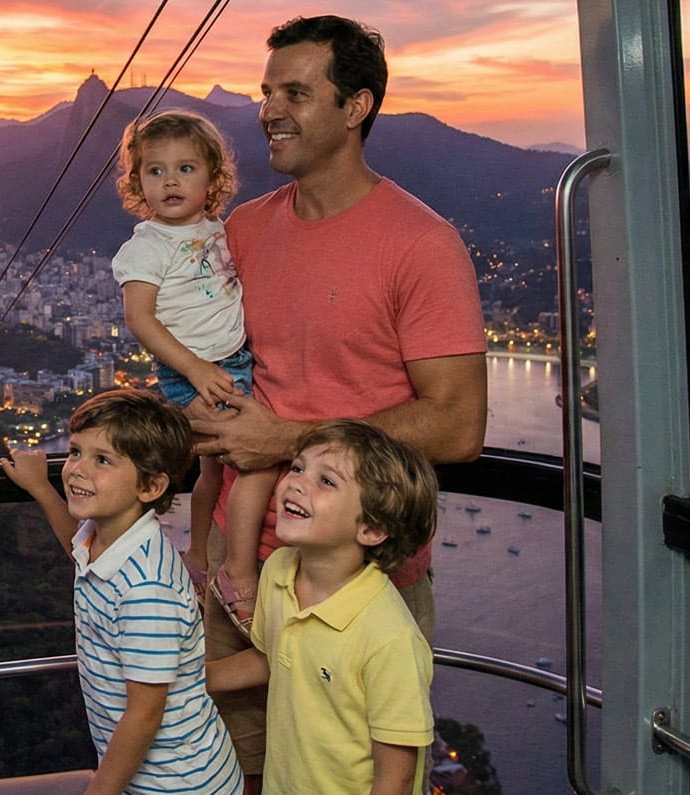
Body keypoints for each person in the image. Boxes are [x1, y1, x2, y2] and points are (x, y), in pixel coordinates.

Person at [186, 14, 488, 790]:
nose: (268, 110)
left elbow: (457, 422)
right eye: (265, 92)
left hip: (364, 581)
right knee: (235, 772)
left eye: (295, 91)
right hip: (241, 566)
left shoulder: (421, 243)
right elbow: (218, 369)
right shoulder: (244, 231)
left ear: (355, 108)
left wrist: (283, 440)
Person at [0, 388, 243, 794]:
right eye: (76, 451)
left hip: (179, 784)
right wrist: (42, 488)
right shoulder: (112, 539)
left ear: (150, 487)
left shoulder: (147, 589)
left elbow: (145, 714)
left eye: (103, 460)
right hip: (154, 776)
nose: (77, 469)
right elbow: (75, 548)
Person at [207, 420, 438, 794]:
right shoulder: (280, 570)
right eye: (297, 467)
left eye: (326, 481)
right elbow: (270, 655)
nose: (295, 482)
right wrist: (190, 679)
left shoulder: (388, 637)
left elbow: (395, 776)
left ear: (372, 529)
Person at [112, 109, 277, 635]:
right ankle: (239, 574)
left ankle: (199, 555)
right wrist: (196, 369)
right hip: (197, 372)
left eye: (185, 168)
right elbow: (139, 318)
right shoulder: (146, 247)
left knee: (211, 473)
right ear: (138, 182)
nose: (170, 181)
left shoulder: (218, 231)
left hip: (229, 363)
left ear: (212, 178)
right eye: (155, 171)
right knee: (257, 463)